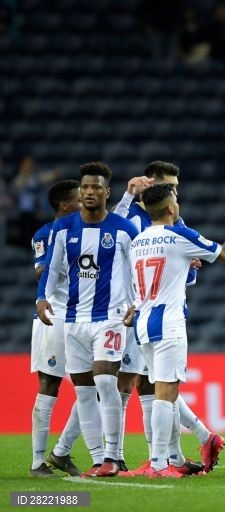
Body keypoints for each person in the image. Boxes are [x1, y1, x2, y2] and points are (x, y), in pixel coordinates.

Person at [127, 184, 225, 478]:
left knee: (165, 391)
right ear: (170, 207)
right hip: (168, 322)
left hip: (143, 322)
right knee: (165, 393)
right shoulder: (180, 235)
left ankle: (201, 439)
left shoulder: (137, 241)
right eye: (175, 198)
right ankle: (159, 464)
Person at [113, 162, 225, 475]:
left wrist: (188, 267)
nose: (177, 193)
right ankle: (177, 451)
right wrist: (127, 195)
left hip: (146, 312)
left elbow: (187, 276)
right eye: (172, 187)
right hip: (129, 310)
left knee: (151, 386)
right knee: (147, 385)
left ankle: (163, 458)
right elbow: (107, 236)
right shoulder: (132, 217)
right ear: (152, 186)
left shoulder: (173, 224)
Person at [36, 162, 139, 477]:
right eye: (85, 187)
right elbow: (52, 268)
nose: (90, 192)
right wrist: (42, 297)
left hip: (110, 318)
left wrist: (137, 303)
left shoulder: (124, 229)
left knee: (105, 382)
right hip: (73, 319)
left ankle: (112, 456)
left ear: (107, 192)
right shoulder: (64, 228)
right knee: (83, 392)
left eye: (96, 187)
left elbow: (137, 268)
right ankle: (97, 460)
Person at [29, 180, 83, 477]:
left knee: (97, 385)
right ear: (65, 205)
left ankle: (61, 451)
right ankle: (38, 461)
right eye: (79, 199)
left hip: (85, 317)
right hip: (55, 315)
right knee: (49, 385)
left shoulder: (89, 230)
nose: (86, 202)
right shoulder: (45, 234)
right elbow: (41, 271)